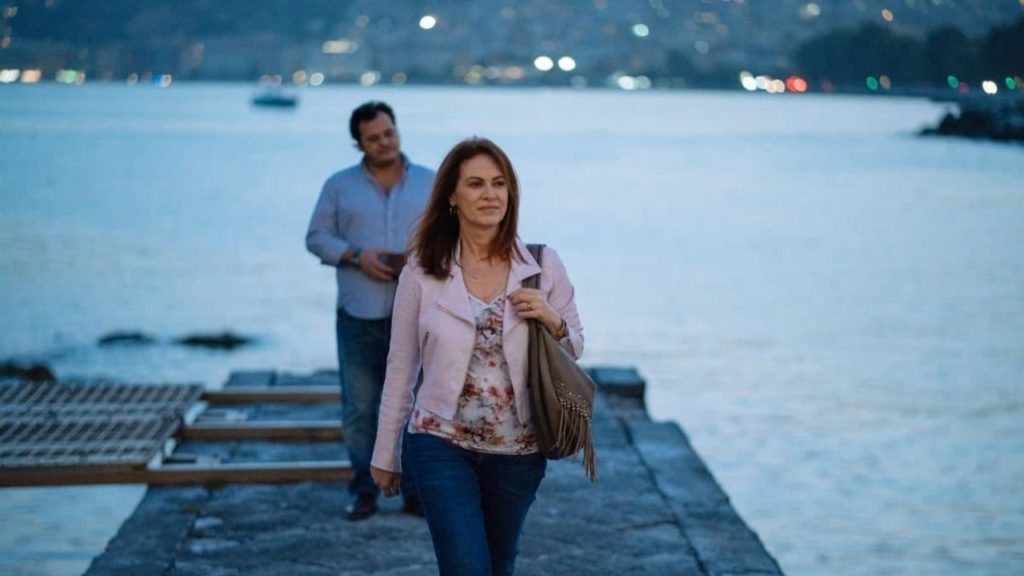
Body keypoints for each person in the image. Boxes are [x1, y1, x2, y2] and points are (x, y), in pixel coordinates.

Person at [371, 137, 585, 575]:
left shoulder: (542, 265)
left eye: (499, 183)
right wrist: (385, 453)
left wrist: (551, 318)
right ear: (452, 196)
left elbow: (575, 347)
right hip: (440, 443)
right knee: (466, 567)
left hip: (520, 451)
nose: (490, 194)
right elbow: (401, 366)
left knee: (499, 565)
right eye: (476, 183)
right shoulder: (421, 271)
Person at [305, 101, 434, 521]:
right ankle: (364, 491)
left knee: (416, 406)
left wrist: (420, 261)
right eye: (373, 138)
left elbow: (452, 237)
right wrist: (357, 256)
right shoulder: (338, 186)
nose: (384, 142)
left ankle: (415, 493)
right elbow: (316, 237)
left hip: (416, 315)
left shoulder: (431, 183)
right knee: (360, 409)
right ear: (359, 143)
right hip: (358, 314)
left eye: (389, 133)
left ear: (397, 130)